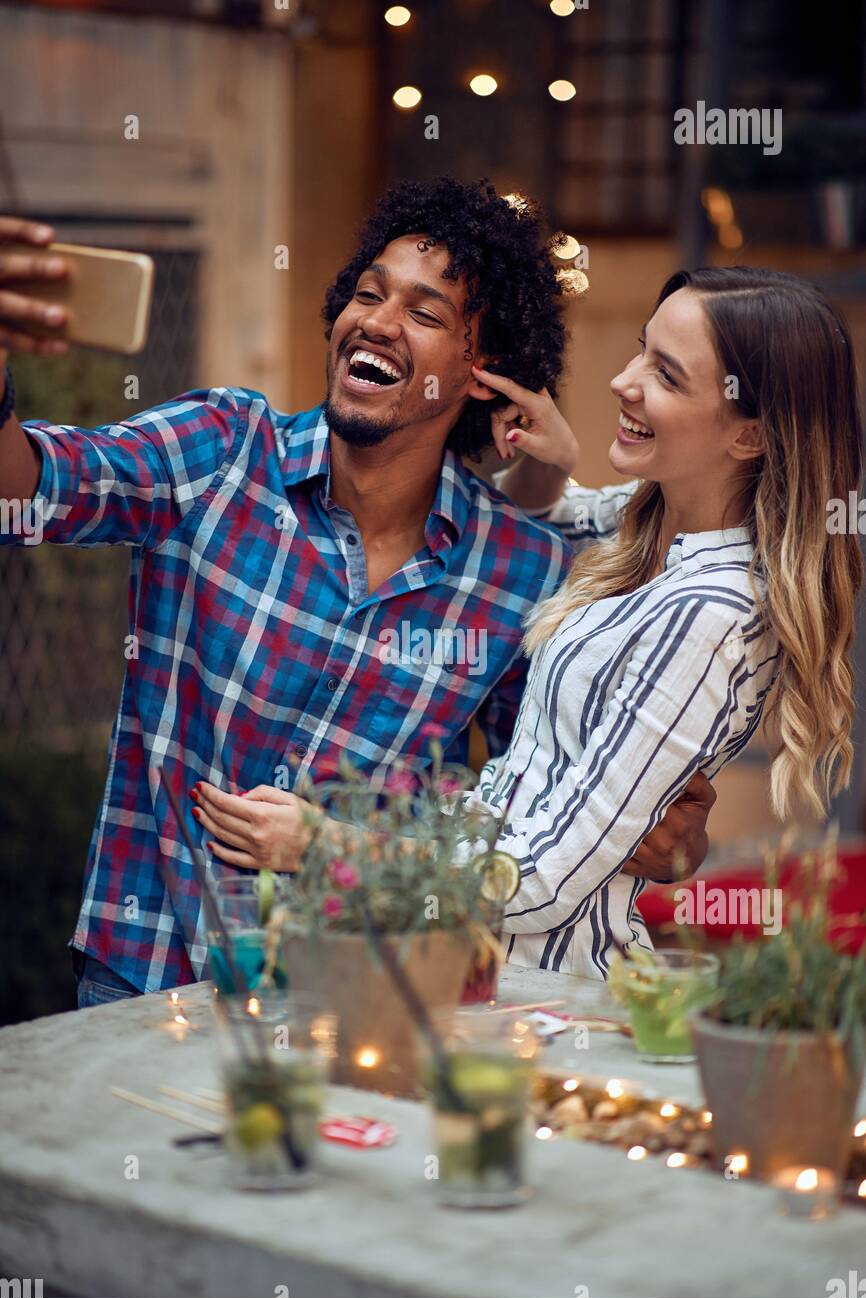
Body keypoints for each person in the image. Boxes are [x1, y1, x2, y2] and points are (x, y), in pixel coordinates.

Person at [0, 183, 712, 1006]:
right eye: (367, 294)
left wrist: (658, 832)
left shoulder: (519, 571)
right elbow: (30, 490)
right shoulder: (222, 453)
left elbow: (542, 798)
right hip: (144, 975)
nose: (375, 320)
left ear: (482, 377)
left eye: (425, 312)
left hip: (360, 997)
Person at [206, 266, 862, 979]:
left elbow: (540, 882)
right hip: (492, 980)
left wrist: (324, 846)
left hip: (548, 995)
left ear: (750, 436)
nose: (624, 381)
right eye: (643, 349)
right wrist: (550, 469)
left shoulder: (711, 612)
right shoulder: (653, 536)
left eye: (667, 377)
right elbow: (546, 522)